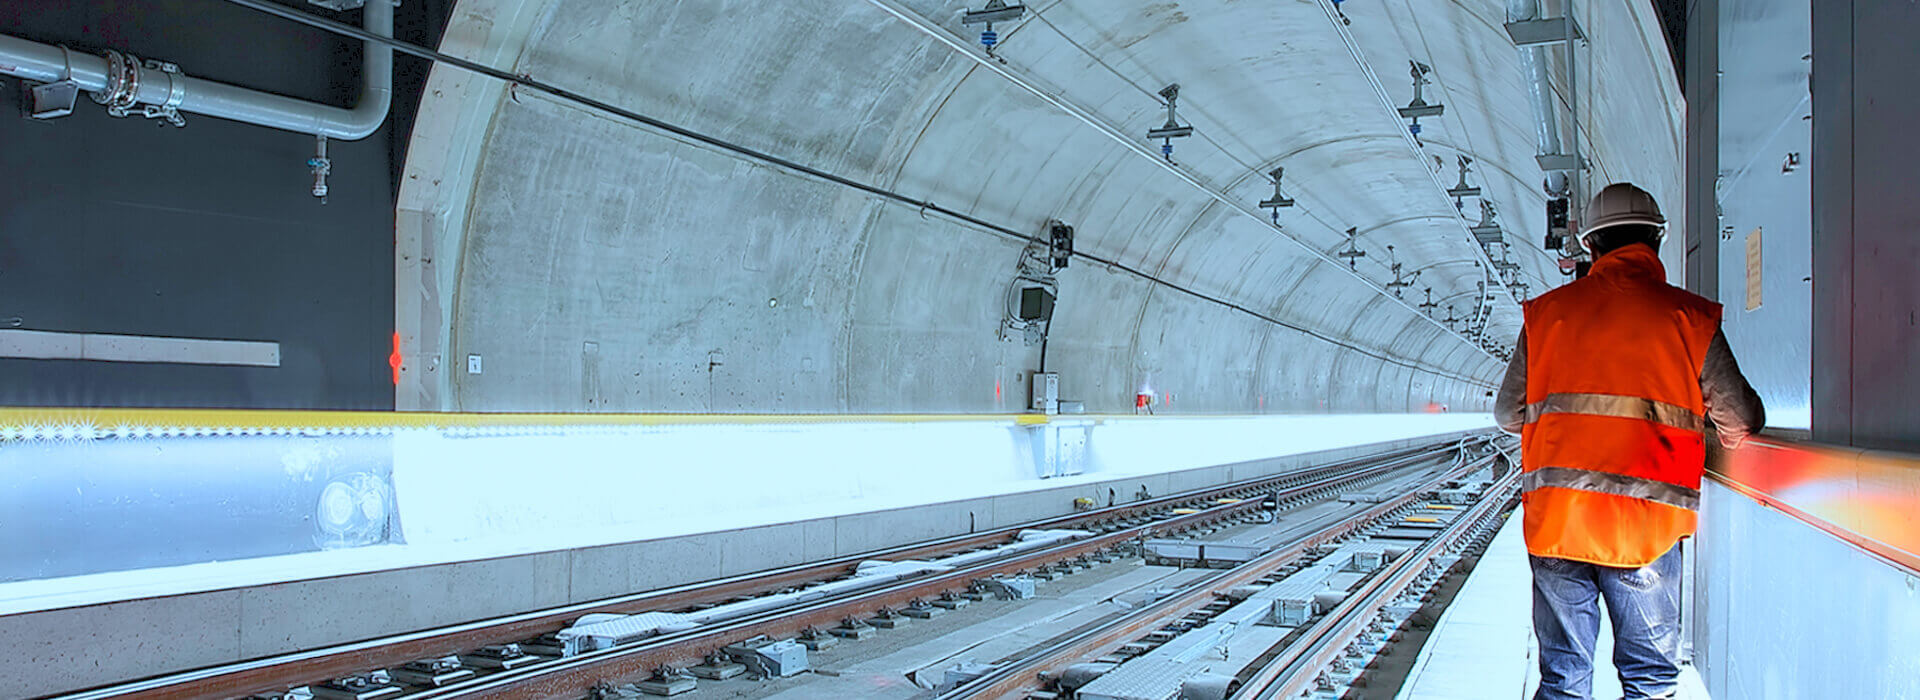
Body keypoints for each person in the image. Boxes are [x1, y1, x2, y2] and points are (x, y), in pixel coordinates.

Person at [1494, 183, 1765, 700]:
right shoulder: (1689, 318)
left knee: (1563, 680)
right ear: (1657, 240)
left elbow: (1508, 412)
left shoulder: (1546, 316)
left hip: (1559, 522)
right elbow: (1741, 418)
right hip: (1643, 530)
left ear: (1591, 246)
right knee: (1649, 681)